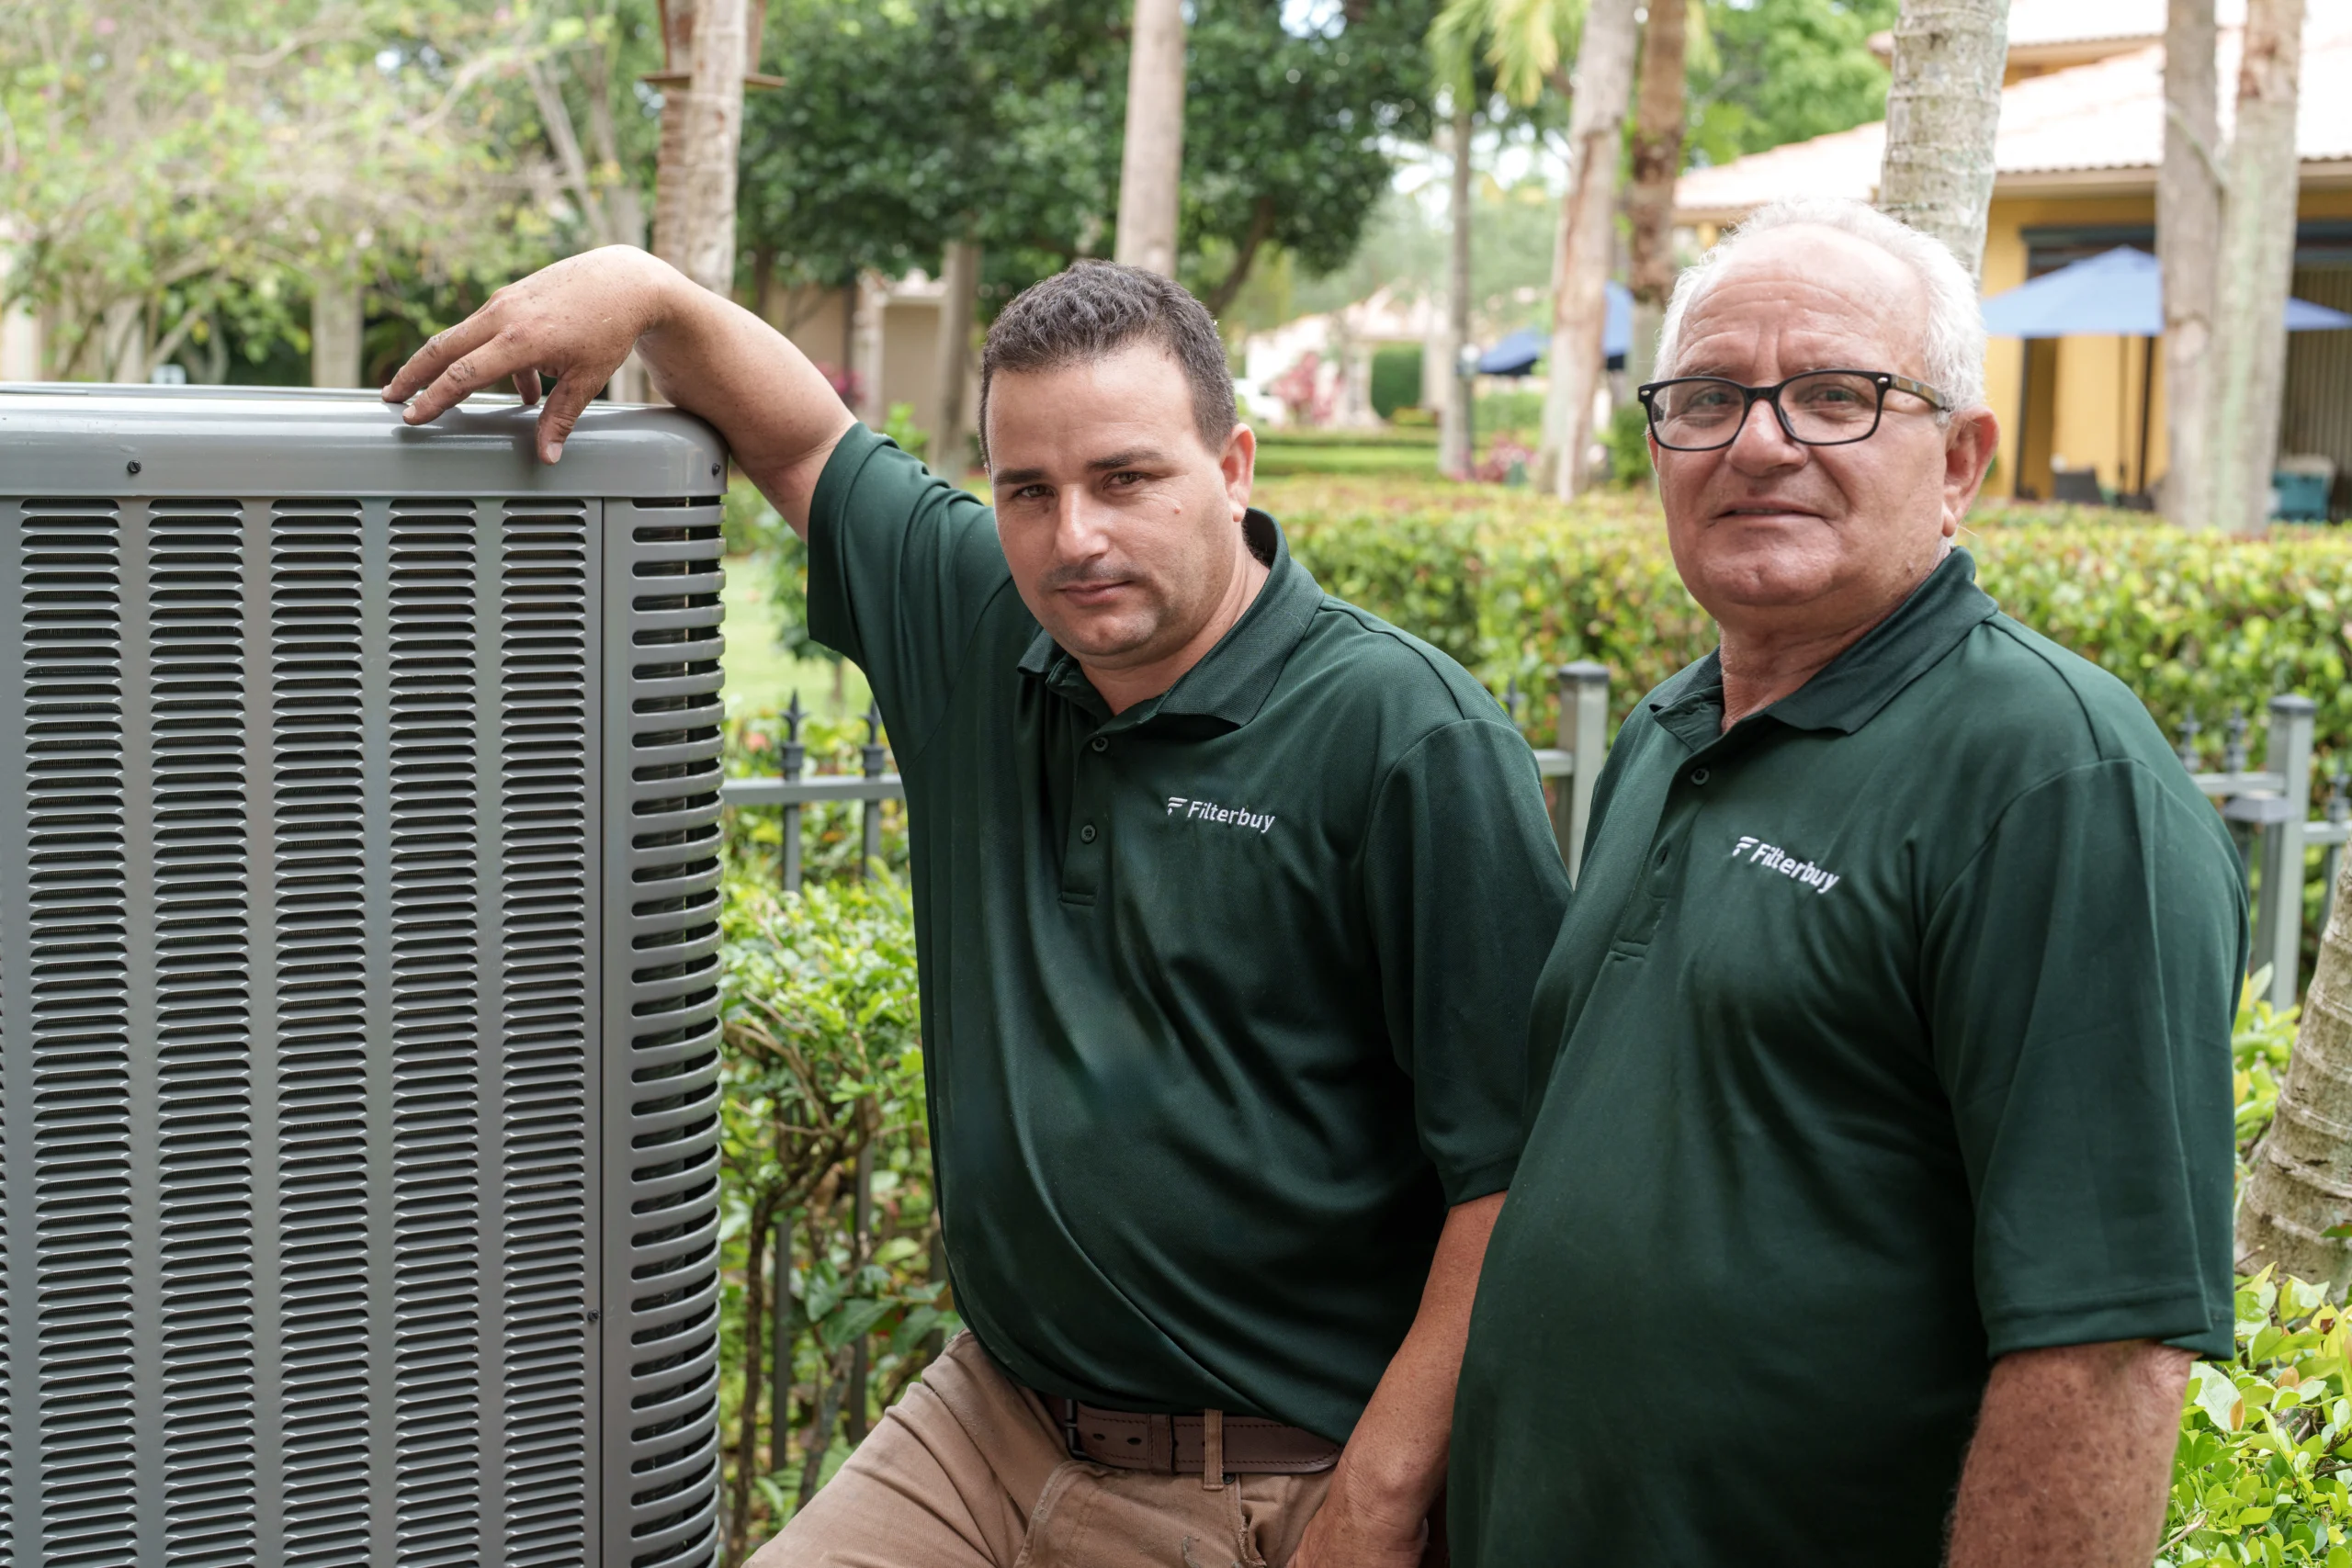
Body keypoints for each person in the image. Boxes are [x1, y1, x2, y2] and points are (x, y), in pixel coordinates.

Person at [384, 254, 1570, 1566]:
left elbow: (1515, 1174)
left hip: (1256, 1476)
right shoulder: (980, 620)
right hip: (987, 1421)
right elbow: (802, 437)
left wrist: (1379, 1501)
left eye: (1127, 478)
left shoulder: (1405, 735)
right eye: (1028, 490)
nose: (1075, 538)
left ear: (1233, 466)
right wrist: (646, 291)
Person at [1449, 197, 2245, 1568]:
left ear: (1961, 461)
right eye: (1707, 397)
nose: (1759, 441)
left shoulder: (2056, 782)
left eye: (1835, 394)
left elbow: (2106, 1352)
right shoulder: (1667, 730)